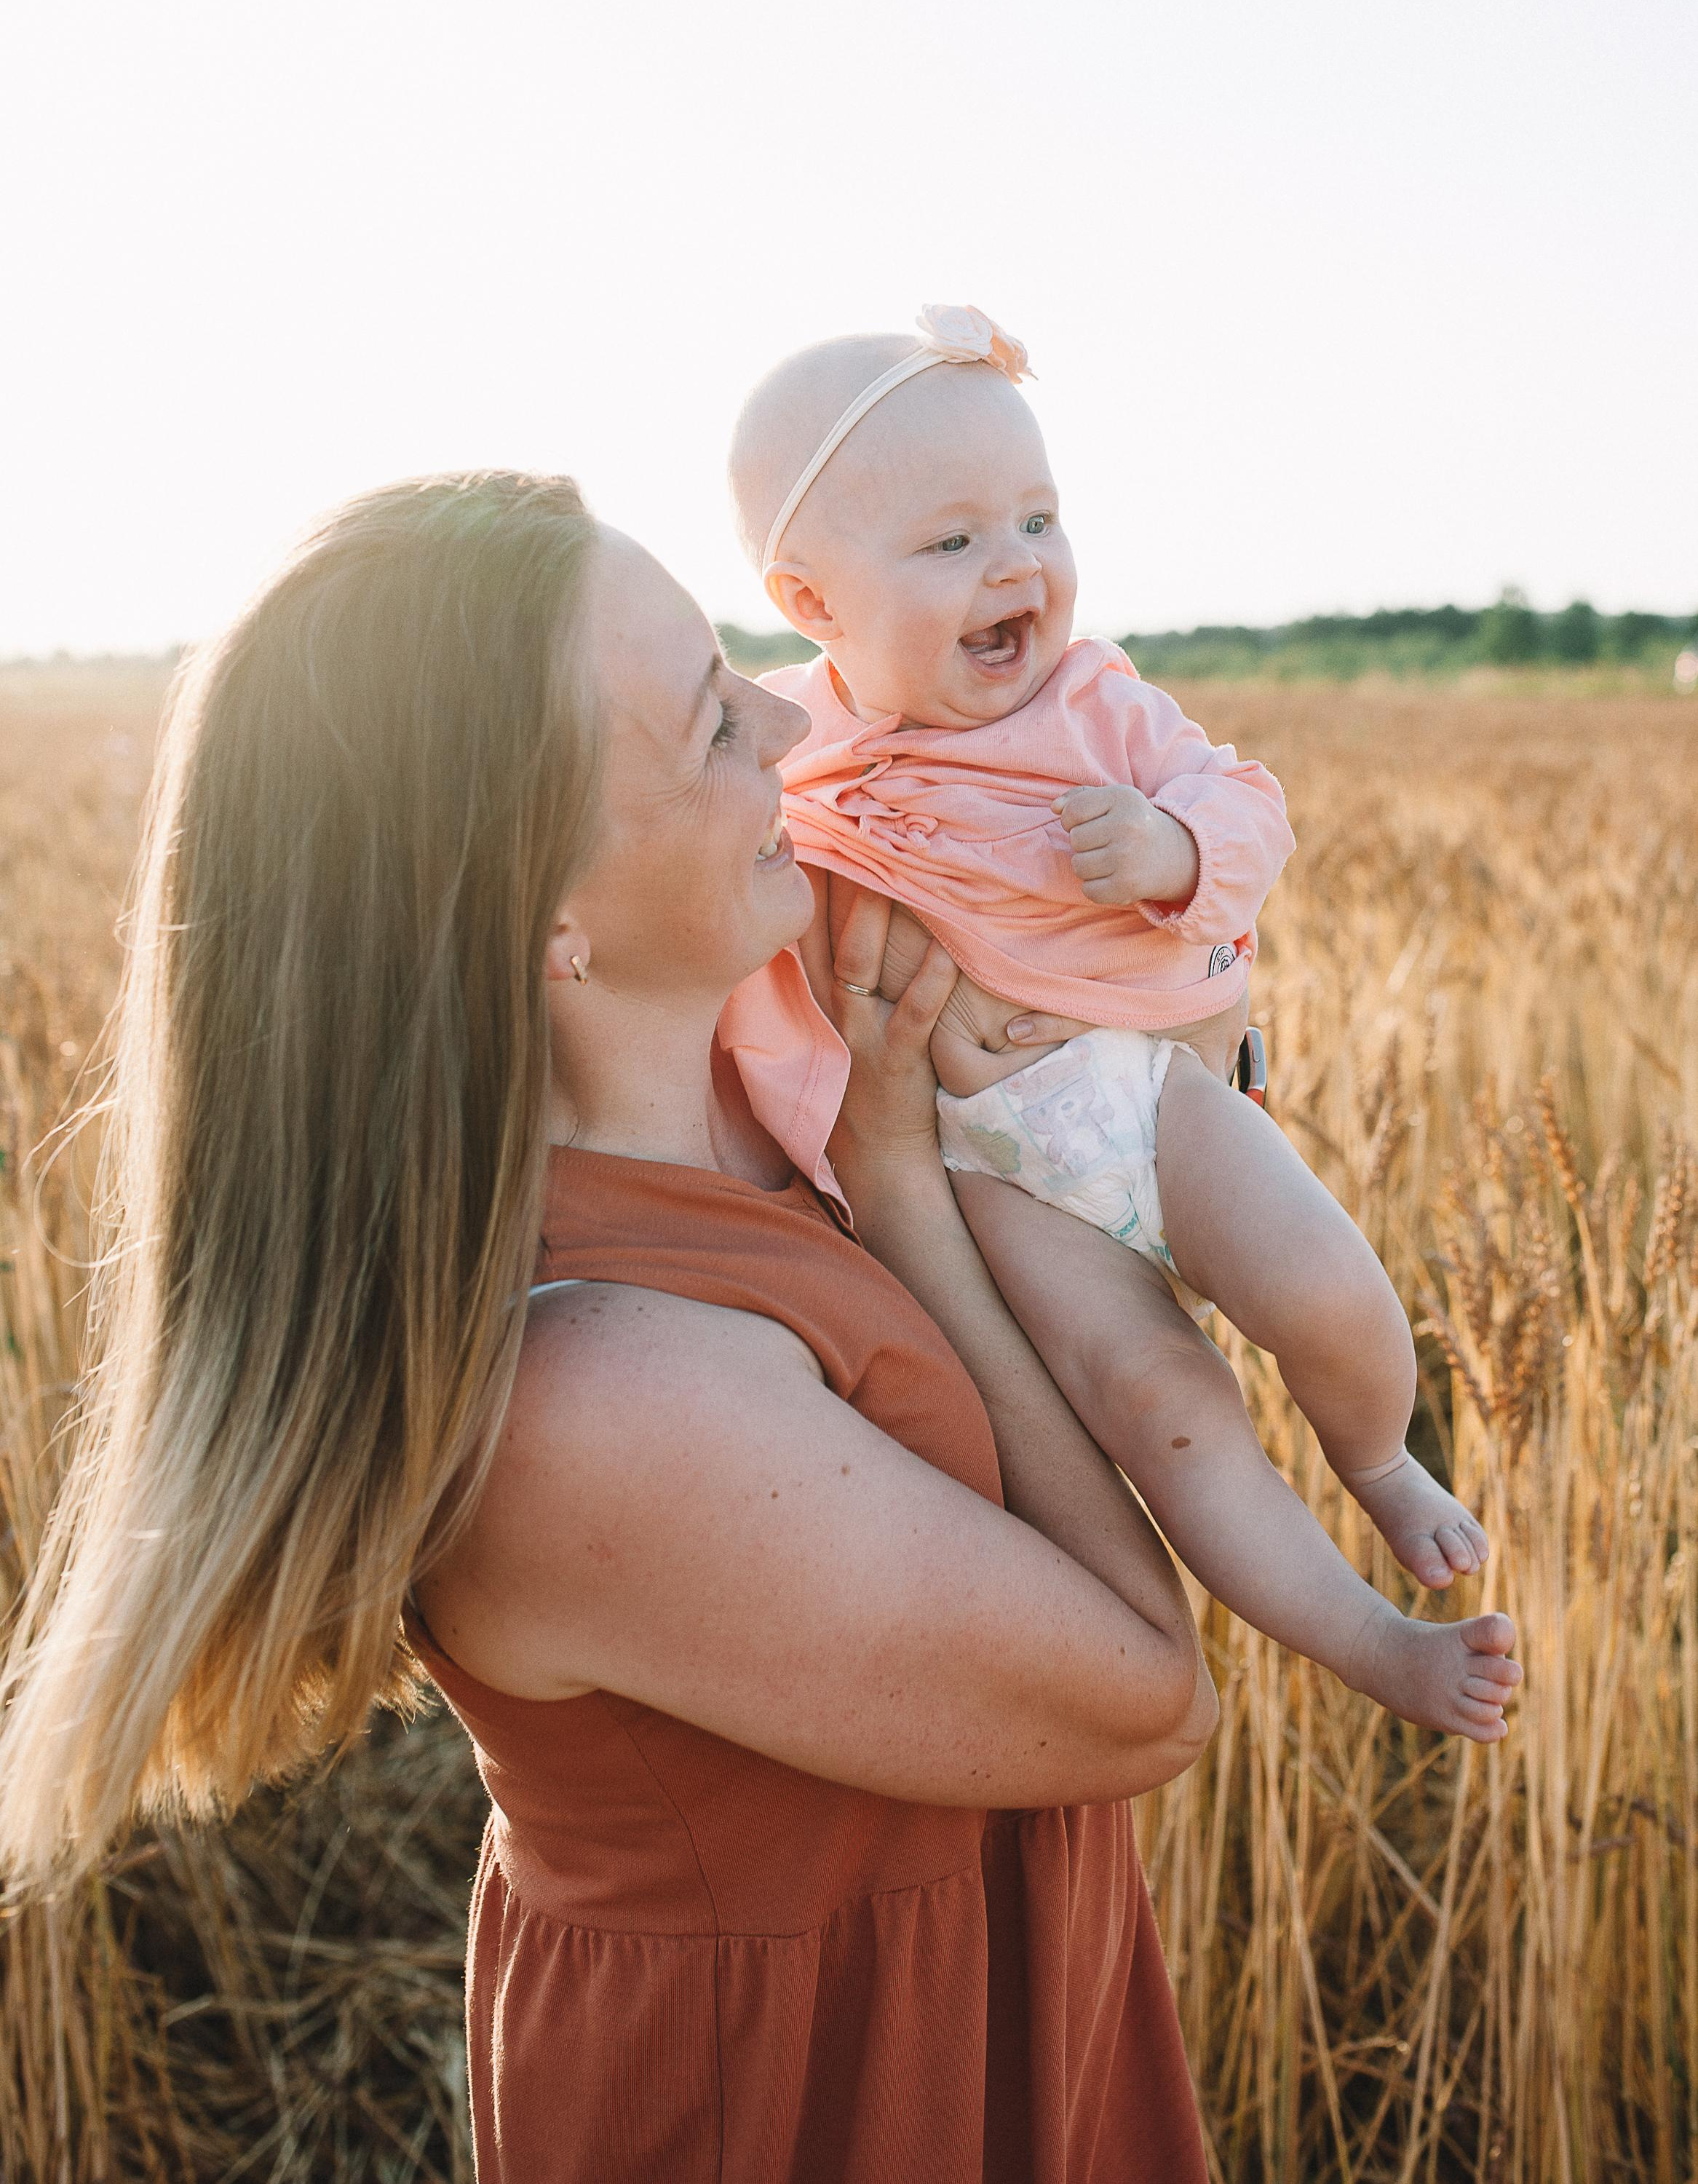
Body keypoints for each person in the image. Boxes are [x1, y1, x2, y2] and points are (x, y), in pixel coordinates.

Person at [0, 472, 1220, 2181]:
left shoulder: (771, 1101)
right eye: (714, 722)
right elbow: (1146, 1698)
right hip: (810, 2108)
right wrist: (915, 1191)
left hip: (991, 2029)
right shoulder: (594, 1394)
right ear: (544, 915)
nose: (798, 715)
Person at [728, 310, 1523, 1744]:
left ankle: (1376, 1457)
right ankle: (1378, 1644)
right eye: (951, 540)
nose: (1018, 562)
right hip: (998, 1179)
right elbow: (756, 971)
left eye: (1037, 517)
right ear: (812, 599)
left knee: (1330, 1292)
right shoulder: (794, 758)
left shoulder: (1099, 703)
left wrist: (1170, 850)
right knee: (1163, 1411)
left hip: (1152, 1092)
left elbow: (1248, 804)